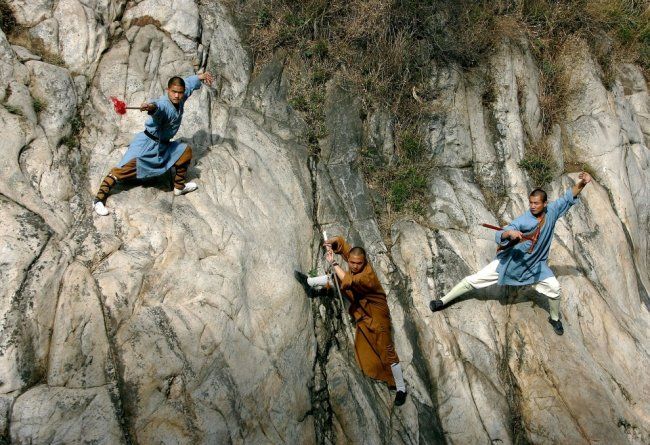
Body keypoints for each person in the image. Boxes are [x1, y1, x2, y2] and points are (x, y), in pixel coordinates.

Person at [429, 172, 593, 335]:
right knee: (474, 280)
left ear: (545, 204)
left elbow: (568, 197)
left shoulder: (552, 212)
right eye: (530, 203)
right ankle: (442, 301)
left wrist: (583, 183)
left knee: (555, 288)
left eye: (536, 203)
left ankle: (555, 318)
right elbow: (502, 233)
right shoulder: (524, 220)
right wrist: (509, 234)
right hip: (512, 263)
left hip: (536, 266)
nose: (532, 206)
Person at [295, 237, 408, 406]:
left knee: (387, 351)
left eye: (358, 264)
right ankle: (310, 282)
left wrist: (334, 263)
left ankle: (400, 388)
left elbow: (350, 281)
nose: (354, 266)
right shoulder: (355, 260)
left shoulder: (367, 275)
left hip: (378, 317)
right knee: (337, 279)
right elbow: (342, 244)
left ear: (364, 262)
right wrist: (329, 243)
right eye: (353, 262)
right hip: (362, 308)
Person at [93, 72, 214, 215]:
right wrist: (151, 107)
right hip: (146, 145)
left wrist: (199, 77)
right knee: (120, 171)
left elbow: (188, 84)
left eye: (179, 93)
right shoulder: (163, 104)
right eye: (174, 92)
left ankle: (179, 187)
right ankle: (98, 201)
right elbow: (158, 108)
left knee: (185, 151)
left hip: (163, 145)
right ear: (167, 90)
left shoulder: (180, 97)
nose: (177, 95)